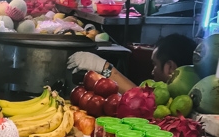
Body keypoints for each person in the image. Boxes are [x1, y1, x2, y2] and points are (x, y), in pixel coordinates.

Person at [68, 33, 197, 93]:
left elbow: (139, 98)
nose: (152, 71)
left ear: (170, 68)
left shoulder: (175, 103)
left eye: (155, 64)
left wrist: (103, 67)